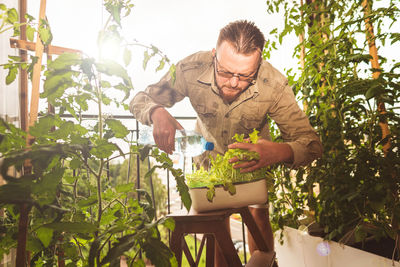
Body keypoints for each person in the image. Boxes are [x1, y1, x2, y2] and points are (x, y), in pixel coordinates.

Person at [130, 20, 323, 266]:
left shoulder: (273, 84)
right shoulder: (190, 69)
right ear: (214, 55)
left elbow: (312, 144)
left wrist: (282, 151)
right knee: (215, 228)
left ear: (259, 62)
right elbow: (140, 99)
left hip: (254, 166)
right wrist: (156, 112)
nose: (233, 82)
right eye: (225, 72)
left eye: (245, 76)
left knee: (258, 216)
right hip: (209, 165)